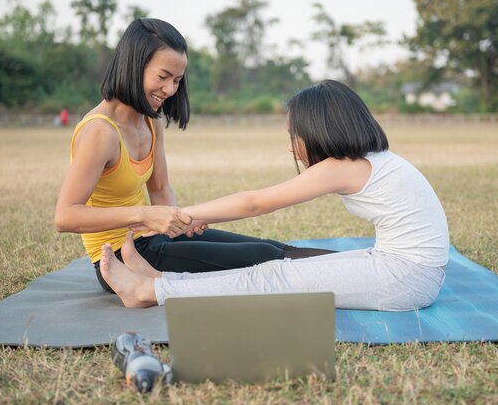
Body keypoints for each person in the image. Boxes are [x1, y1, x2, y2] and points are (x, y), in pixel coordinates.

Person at [98, 79, 450, 310]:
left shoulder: (344, 166)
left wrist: (180, 216)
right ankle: (161, 281)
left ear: (319, 130)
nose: (292, 148)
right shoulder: (370, 160)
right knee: (280, 268)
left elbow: (255, 202)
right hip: (405, 267)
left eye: (292, 135)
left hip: (407, 278)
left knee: (271, 278)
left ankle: (146, 292)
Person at [54, 18, 332, 293]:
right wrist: (145, 215)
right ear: (134, 65)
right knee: (261, 256)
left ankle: (358, 266)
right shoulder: (99, 131)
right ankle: (348, 275)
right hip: (123, 256)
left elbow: (161, 188)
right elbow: (65, 217)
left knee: (269, 247)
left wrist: (178, 223)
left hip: (154, 239)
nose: (170, 89)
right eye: (163, 77)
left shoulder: (151, 122)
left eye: (176, 80)